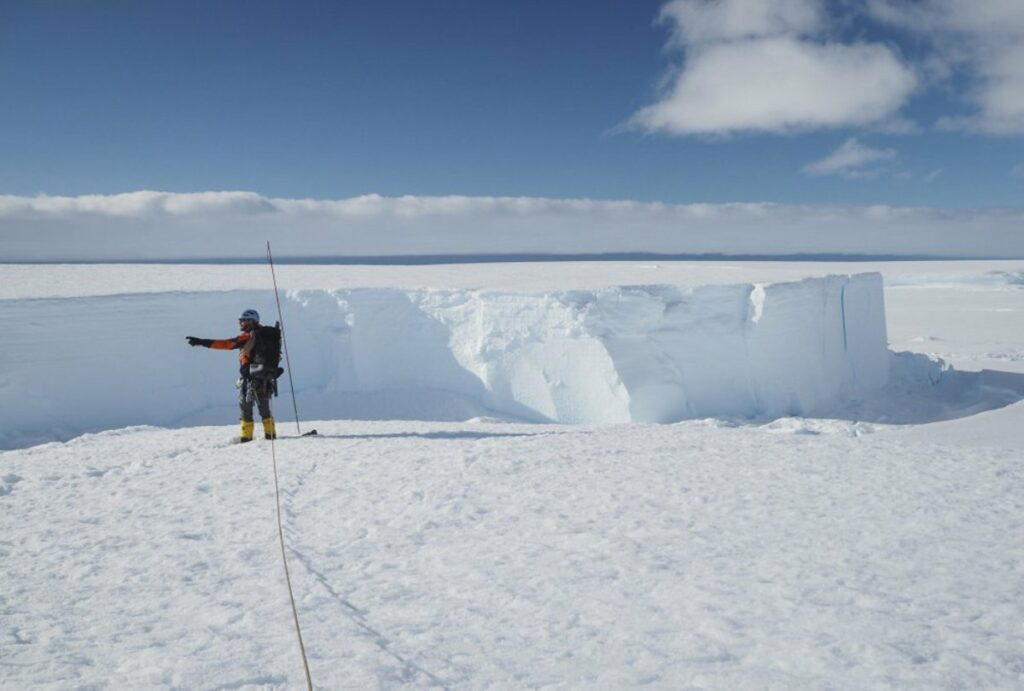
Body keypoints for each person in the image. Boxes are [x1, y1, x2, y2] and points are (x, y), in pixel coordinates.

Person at [186, 309, 277, 443]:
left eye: (243, 320)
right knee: (265, 410)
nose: (240, 323)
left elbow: (225, 344)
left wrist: (201, 342)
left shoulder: (248, 337)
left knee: (246, 410)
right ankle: (271, 437)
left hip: (249, 379)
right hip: (264, 377)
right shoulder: (267, 336)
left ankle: (246, 439)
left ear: (251, 321)